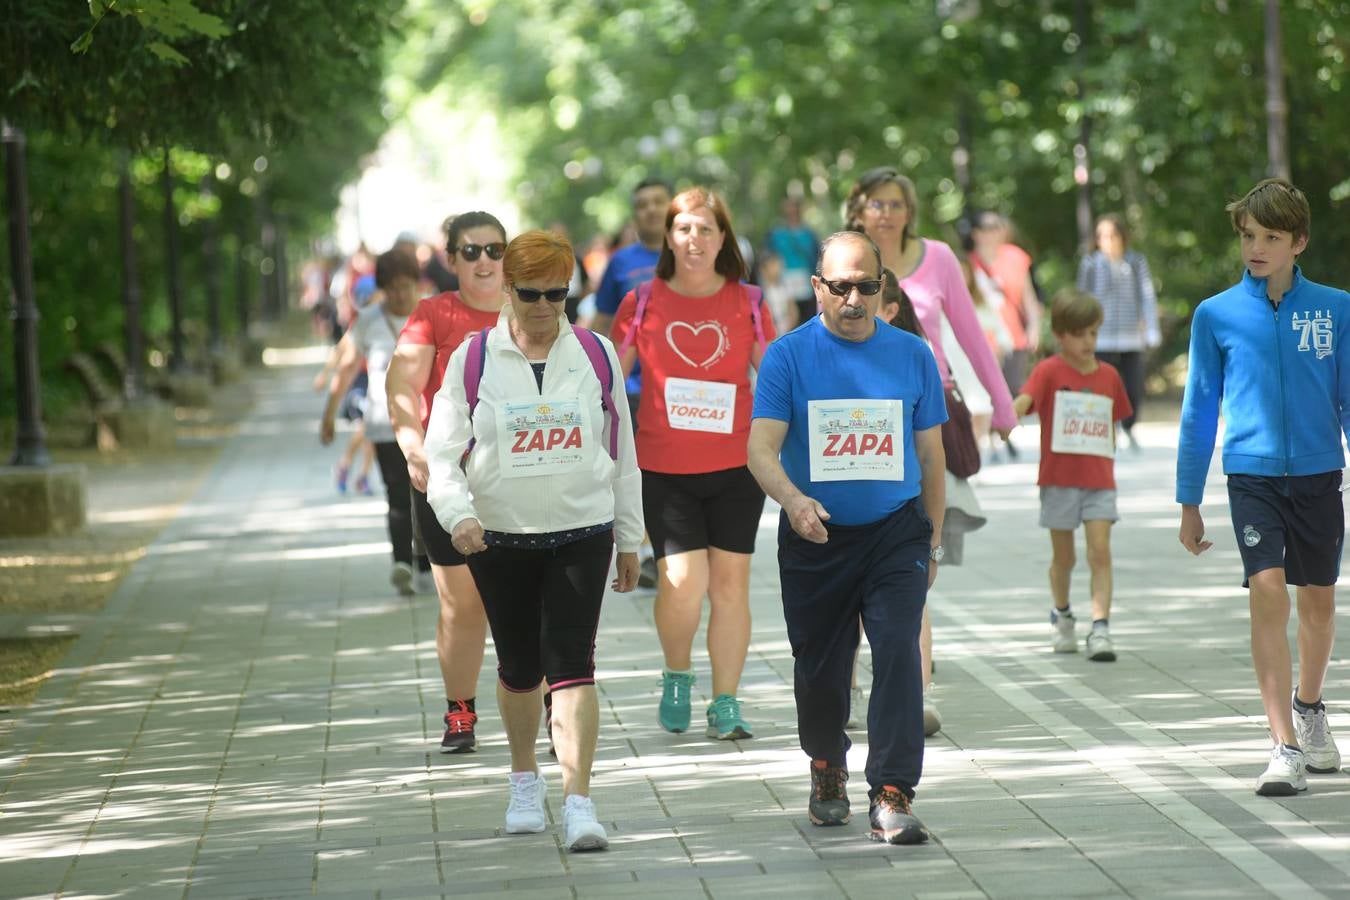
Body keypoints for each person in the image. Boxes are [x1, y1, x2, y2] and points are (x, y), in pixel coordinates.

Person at [424, 230, 642, 852]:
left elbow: (622, 453)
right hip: (500, 538)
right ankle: (525, 779)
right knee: (521, 666)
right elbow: (442, 456)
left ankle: (579, 800)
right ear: (507, 293)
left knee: (574, 665)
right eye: (531, 293)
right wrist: (457, 514)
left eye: (556, 293)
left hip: (583, 531)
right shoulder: (473, 359)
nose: (544, 306)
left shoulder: (596, 355)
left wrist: (630, 536)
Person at [747, 231, 945, 845]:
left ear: (883, 288)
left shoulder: (913, 355)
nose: (853, 299)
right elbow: (760, 448)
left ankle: (892, 791)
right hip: (816, 535)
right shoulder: (788, 356)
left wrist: (931, 541)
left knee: (896, 652)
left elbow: (932, 458)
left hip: (895, 533)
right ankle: (827, 763)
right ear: (818, 289)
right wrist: (794, 500)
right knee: (822, 668)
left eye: (866, 286)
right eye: (840, 287)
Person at [1177, 178, 1346, 796]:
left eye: (1271, 237)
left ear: (1298, 241)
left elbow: (1348, 400)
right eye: (1249, 235)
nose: (1256, 247)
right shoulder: (1215, 314)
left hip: (1319, 474)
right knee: (1268, 592)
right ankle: (1284, 747)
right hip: (1250, 477)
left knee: (1319, 604)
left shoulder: (1336, 309)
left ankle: (1309, 706)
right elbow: (1198, 410)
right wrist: (1188, 501)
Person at [846, 167, 1016, 735]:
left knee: (914, 559)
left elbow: (970, 333)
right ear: (858, 210)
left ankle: (915, 690)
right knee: (848, 560)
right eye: (876, 203)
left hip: (925, 416)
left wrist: (1003, 403)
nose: (886, 213)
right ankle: (845, 685)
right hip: (857, 421)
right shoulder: (846, 257)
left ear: (909, 209)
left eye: (896, 203)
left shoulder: (939, 258)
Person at [612, 186, 776, 741]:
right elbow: (605, 378)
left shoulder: (749, 301)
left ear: (723, 237)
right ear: (668, 236)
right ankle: (678, 674)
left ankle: (726, 700)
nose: (695, 238)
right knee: (681, 583)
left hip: (737, 466)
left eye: (706, 228)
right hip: (665, 468)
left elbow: (777, 375)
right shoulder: (641, 302)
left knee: (731, 586)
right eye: (684, 228)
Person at [385, 211, 507, 753]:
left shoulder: (531, 308)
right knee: (462, 605)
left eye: (495, 250)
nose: (485, 261)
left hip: (523, 481)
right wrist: (414, 449)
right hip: (448, 481)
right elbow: (401, 384)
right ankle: (461, 714)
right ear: (452, 259)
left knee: (530, 601)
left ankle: (552, 704)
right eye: (472, 251)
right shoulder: (433, 314)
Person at [1012, 289, 1131, 660]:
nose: (1088, 342)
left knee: (1101, 552)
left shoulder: (1109, 375)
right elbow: (1024, 401)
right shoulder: (1048, 371)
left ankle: (1101, 628)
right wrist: (1003, 417)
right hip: (1058, 480)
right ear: (1061, 334)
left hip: (1099, 480)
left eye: (1093, 333)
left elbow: (1113, 422)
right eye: (1080, 334)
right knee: (1064, 559)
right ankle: (1062, 614)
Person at [321, 249, 433, 595]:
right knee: (398, 496)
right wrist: (329, 414)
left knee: (428, 496)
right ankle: (402, 562)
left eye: (406, 286)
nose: (400, 294)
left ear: (417, 284)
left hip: (430, 423)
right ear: (382, 288)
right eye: (393, 288)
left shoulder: (431, 314)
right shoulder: (368, 319)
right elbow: (348, 366)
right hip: (385, 423)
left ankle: (427, 562)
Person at [593, 177, 674, 589]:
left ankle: (678, 547)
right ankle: (645, 550)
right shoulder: (621, 263)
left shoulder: (693, 256)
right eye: (642, 204)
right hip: (635, 386)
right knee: (642, 468)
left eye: (659, 201)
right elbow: (602, 321)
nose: (651, 210)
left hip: (685, 388)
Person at [1076, 213, 1161, 449]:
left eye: (1112, 235)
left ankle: (1129, 425)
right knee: (1102, 382)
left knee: (1133, 384)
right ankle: (1106, 427)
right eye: (1102, 236)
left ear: (1122, 237)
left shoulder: (1135, 261)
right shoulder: (1090, 264)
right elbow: (1082, 297)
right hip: (1100, 336)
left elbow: (1146, 295)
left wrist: (1151, 326)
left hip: (1130, 334)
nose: (1108, 240)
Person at [969, 211, 1041, 394]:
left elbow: (1029, 298)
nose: (992, 233)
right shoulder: (967, 264)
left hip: (1013, 339)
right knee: (985, 397)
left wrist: (1034, 328)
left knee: (1013, 396)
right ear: (975, 233)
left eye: (996, 227)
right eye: (986, 228)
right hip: (980, 342)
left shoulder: (1016, 257)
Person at [765, 196, 822, 329]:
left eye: (794, 208)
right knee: (788, 322)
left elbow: (818, 257)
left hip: (806, 283)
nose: (791, 212)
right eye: (788, 209)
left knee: (808, 320)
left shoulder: (809, 234)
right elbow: (768, 258)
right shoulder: (776, 234)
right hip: (784, 282)